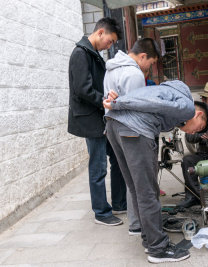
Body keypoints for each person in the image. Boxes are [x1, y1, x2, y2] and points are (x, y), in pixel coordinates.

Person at [103, 79, 208, 263]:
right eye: (199, 127)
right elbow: (152, 103)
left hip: (114, 124)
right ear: (198, 114)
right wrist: (118, 102)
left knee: (137, 189)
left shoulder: (169, 92)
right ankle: (158, 249)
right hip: (133, 129)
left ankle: (149, 239)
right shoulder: (186, 106)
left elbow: (146, 97)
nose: (193, 132)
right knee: (148, 192)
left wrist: (118, 103)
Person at [67, 17, 126, 226]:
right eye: (109, 41)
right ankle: (101, 212)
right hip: (90, 120)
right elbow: (82, 89)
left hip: (100, 117)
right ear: (100, 32)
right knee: (98, 166)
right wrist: (103, 101)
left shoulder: (93, 53)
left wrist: (107, 94)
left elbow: (95, 83)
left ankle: (120, 202)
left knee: (118, 160)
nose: (109, 46)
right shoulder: (80, 53)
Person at [102, 38, 161, 236]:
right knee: (144, 184)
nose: (150, 68)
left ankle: (137, 224)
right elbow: (138, 109)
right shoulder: (134, 73)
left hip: (112, 126)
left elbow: (110, 101)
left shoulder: (111, 68)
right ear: (143, 56)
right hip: (131, 131)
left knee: (132, 181)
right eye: (151, 63)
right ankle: (153, 236)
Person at [177, 81, 208, 208]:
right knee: (187, 161)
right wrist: (200, 135)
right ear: (204, 100)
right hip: (204, 154)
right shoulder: (196, 113)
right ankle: (193, 196)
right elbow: (189, 136)